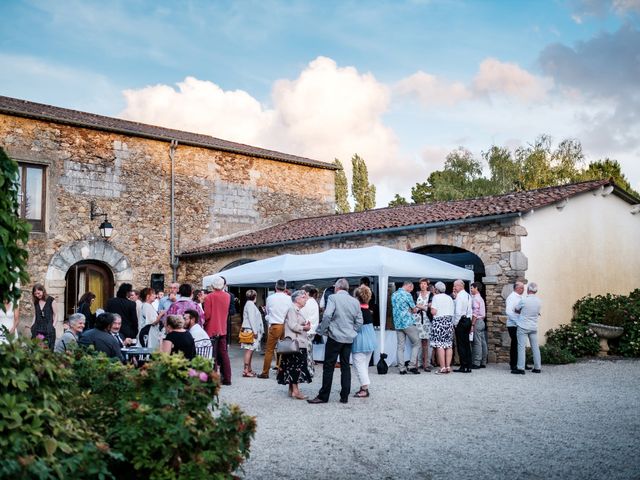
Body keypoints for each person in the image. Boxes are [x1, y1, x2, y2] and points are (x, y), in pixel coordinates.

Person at [308, 278, 363, 404]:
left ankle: (323, 396)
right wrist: (353, 331)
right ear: (347, 289)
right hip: (348, 338)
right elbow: (360, 321)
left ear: (337, 288)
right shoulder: (355, 301)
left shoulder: (333, 298)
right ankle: (344, 396)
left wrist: (321, 330)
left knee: (328, 367)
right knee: (345, 367)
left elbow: (327, 316)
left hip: (334, 336)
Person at [277, 290, 312, 400]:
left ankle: (292, 390)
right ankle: (296, 392)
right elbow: (292, 325)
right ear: (297, 299)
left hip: (295, 342)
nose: (305, 300)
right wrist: (304, 327)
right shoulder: (292, 309)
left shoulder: (295, 310)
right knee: (296, 367)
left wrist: (303, 325)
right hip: (296, 343)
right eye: (303, 297)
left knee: (293, 366)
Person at [258, 279, 290, 379]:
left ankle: (265, 372)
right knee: (283, 349)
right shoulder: (289, 298)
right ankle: (281, 370)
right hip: (285, 325)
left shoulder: (270, 298)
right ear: (285, 288)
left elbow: (267, 312)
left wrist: (268, 317)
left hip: (275, 325)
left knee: (269, 350)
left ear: (276, 287)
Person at [203, 276, 232, 385]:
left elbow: (208, 315)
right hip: (222, 328)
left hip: (211, 328)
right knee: (224, 354)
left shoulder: (209, 297)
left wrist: (203, 322)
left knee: (213, 355)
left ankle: (214, 378)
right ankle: (227, 378)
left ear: (213, 285)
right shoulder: (227, 296)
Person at [351, 285, 376, 398]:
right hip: (370, 338)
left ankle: (365, 388)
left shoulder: (357, 310)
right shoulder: (367, 310)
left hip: (360, 340)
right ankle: (363, 387)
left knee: (359, 365)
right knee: (364, 365)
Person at [391, 281, 421, 375]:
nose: (411, 291)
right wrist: (417, 308)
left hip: (397, 323)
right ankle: (411, 366)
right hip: (407, 322)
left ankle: (401, 368)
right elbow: (414, 309)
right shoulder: (407, 295)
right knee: (417, 343)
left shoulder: (394, 294)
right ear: (408, 286)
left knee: (400, 346)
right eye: (411, 289)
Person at [513, 282, 542, 375]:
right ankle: (537, 367)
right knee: (535, 347)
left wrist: (522, 311)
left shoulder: (524, 300)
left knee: (521, 347)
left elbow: (516, 309)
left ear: (528, 290)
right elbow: (537, 312)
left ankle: (521, 368)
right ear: (536, 291)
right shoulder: (539, 301)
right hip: (533, 326)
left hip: (523, 326)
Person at [430, 281, 455, 374]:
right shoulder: (449, 298)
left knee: (440, 345)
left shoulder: (435, 297)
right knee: (448, 345)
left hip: (439, 322)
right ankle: (448, 366)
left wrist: (430, 307)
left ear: (436, 289)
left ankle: (442, 367)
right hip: (448, 321)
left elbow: (434, 312)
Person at [241, 289, 264, 377]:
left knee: (250, 350)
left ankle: (249, 369)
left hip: (249, 329)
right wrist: (255, 331)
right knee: (249, 350)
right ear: (255, 296)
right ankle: (246, 370)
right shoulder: (250, 305)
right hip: (250, 330)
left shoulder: (249, 304)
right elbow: (251, 318)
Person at [453, 279, 473, 373]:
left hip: (461, 320)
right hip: (468, 319)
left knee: (461, 344)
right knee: (466, 344)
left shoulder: (460, 296)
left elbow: (458, 312)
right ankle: (468, 365)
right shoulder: (468, 295)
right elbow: (470, 310)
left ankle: (463, 365)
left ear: (460, 286)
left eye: (455, 286)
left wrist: (455, 323)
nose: (454, 288)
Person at [506, 281, 526, 372]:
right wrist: (518, 322)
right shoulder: (511, 297)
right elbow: (509, 312)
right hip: (513, 324)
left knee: (521, 344)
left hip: (520, 323)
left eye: (523, 287)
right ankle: (513, 364)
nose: (523, 289)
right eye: (521, 287)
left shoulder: (521, 297)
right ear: (516, 288)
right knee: (515, 344)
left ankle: (521, 363)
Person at [300, 284, 320, 377]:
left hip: (307, 330)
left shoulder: (308, 302)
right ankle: (310, 370)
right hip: (312, 329)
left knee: (307, 352)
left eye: (303, 292)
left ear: (307, 293)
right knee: (309, 351)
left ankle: (309, 371)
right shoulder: (313, 302)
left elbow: (302, 315)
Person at [414, 278, 433, 372]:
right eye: (421, 283)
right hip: (417, 320)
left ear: (427, 285)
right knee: (417, 342)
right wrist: (423, 307)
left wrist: (419, 306)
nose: (422, 285)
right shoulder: (416, 294)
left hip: (426, 320)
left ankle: (426, 364)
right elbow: (413, 306)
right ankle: (416, 364)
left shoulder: (431, 294)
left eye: (424, 284)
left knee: (425, 343)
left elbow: (430, 307)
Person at [31, 283, 57, 348]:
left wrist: (52, 326)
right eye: (35, 294)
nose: (37, 295)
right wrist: (32, 325)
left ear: (43, 290)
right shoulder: (36, 302)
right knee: (36, 351)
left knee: (48, 351)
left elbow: (56, 314)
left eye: (38, 293)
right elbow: (35, 314)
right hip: (37, 329)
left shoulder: (51, 300)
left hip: (48, 330)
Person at [470, 282, 488, 369]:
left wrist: (472, 324)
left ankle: (477, 362)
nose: (471, 289)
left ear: (476, 288)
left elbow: (475, 312)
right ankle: (483, 361)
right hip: (482, 321)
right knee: (483, 342)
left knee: (477, 343)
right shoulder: (480, 298)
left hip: (477, 321)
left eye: (472, 288)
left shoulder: (476, 298)